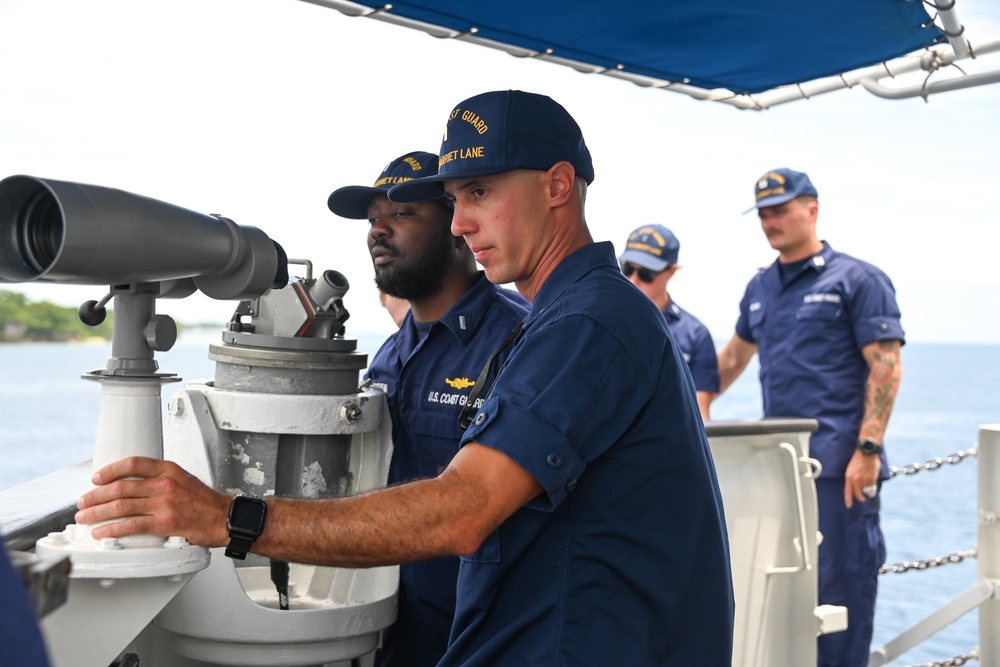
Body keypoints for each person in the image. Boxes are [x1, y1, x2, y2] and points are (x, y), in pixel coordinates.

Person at [76, 90, 734, 666]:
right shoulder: (572, 313)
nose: (461, 222)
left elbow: (464, 510)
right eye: (452, 200)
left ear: (557, 186)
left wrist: (228, 516)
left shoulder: (587, 322)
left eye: (480, 192)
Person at [327, 150, 529, 667]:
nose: (378, 231)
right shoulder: (390, 357)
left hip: (491, 639)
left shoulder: (521, 339)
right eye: (374, 220)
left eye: (402, 214)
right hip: (397, 635)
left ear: (458, 226)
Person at [714, 168, 904, 667]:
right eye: (763, 214)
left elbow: (885, 369)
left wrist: (868, 450)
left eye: (780, 210)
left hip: (841, 471)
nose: (770, 221)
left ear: (812, 209)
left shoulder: (857, 279)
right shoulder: (760, 286)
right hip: (783, 474)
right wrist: (686, 411)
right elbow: (730, 361)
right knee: (784, 601)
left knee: (840, 601)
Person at [618, 224, 719, 420]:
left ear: (671, 271)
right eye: (627, 269)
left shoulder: (696, 335)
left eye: (646, 274)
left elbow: (699, 415)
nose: (633, 280)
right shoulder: (600, 325)